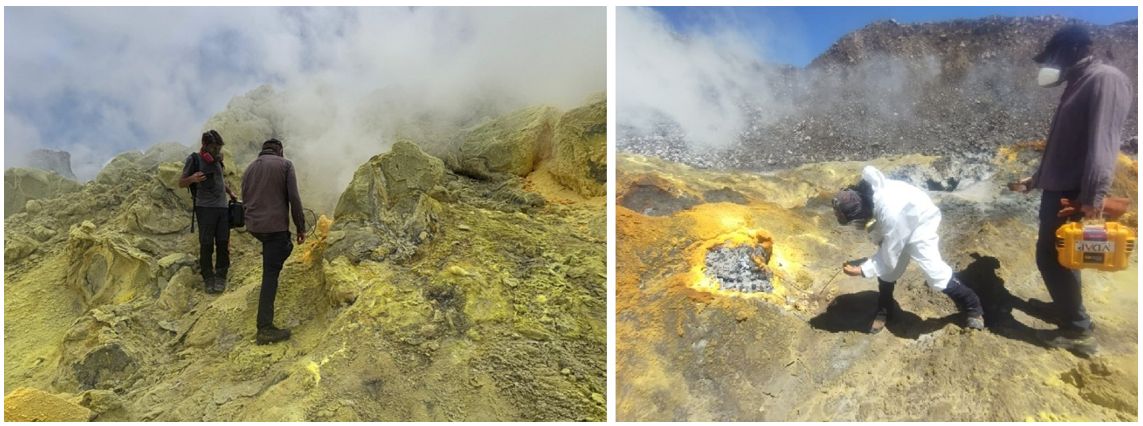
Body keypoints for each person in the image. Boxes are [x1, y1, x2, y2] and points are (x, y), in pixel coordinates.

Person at [1009, 25, 1132, 355]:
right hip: (1060, 188)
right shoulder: (1079, 82)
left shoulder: (1104, 79)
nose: (1050, 66)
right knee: (1064, 256)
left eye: (1053, 57)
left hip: (1074, 193)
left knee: (1050, 257)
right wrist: (1036, 179)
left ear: (1075, 49)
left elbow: (1103, 145)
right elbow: (1064, 147)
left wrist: (1092, 198)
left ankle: (1077, 331)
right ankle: (1067, 310)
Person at [834, 165, 985, 334]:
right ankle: (885, 308)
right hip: (902, 219)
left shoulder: (890, 213)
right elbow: (886, 238)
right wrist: (876, 259)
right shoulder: (870, 195)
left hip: (920, 224)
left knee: (936, 274)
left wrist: (863, 270)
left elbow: (890, 254)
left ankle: (973, 305)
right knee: (888, 274)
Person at [241, 138, 306, 345]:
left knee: (275, 254)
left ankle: (275, 258)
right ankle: (265, 328)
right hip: (275, 227)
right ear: (280, 151)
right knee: (271, 272)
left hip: (255, 227)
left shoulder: (249, 169)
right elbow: (294, 198)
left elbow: (246, 198)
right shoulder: (285, 165)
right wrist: (300, 226)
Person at [179, 130, 237, 294]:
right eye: (214, 147)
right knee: (206, 244)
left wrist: (230, 192)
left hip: (222, 207)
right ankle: (208, 277)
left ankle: (221, 275)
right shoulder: (194, 159)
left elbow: (220, 180)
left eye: (219, 147)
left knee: (223, 242)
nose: (217, 151)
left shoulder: (218, 161)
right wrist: (193, 179)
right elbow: (181, 183)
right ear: (204, 145)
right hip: (205, 208)